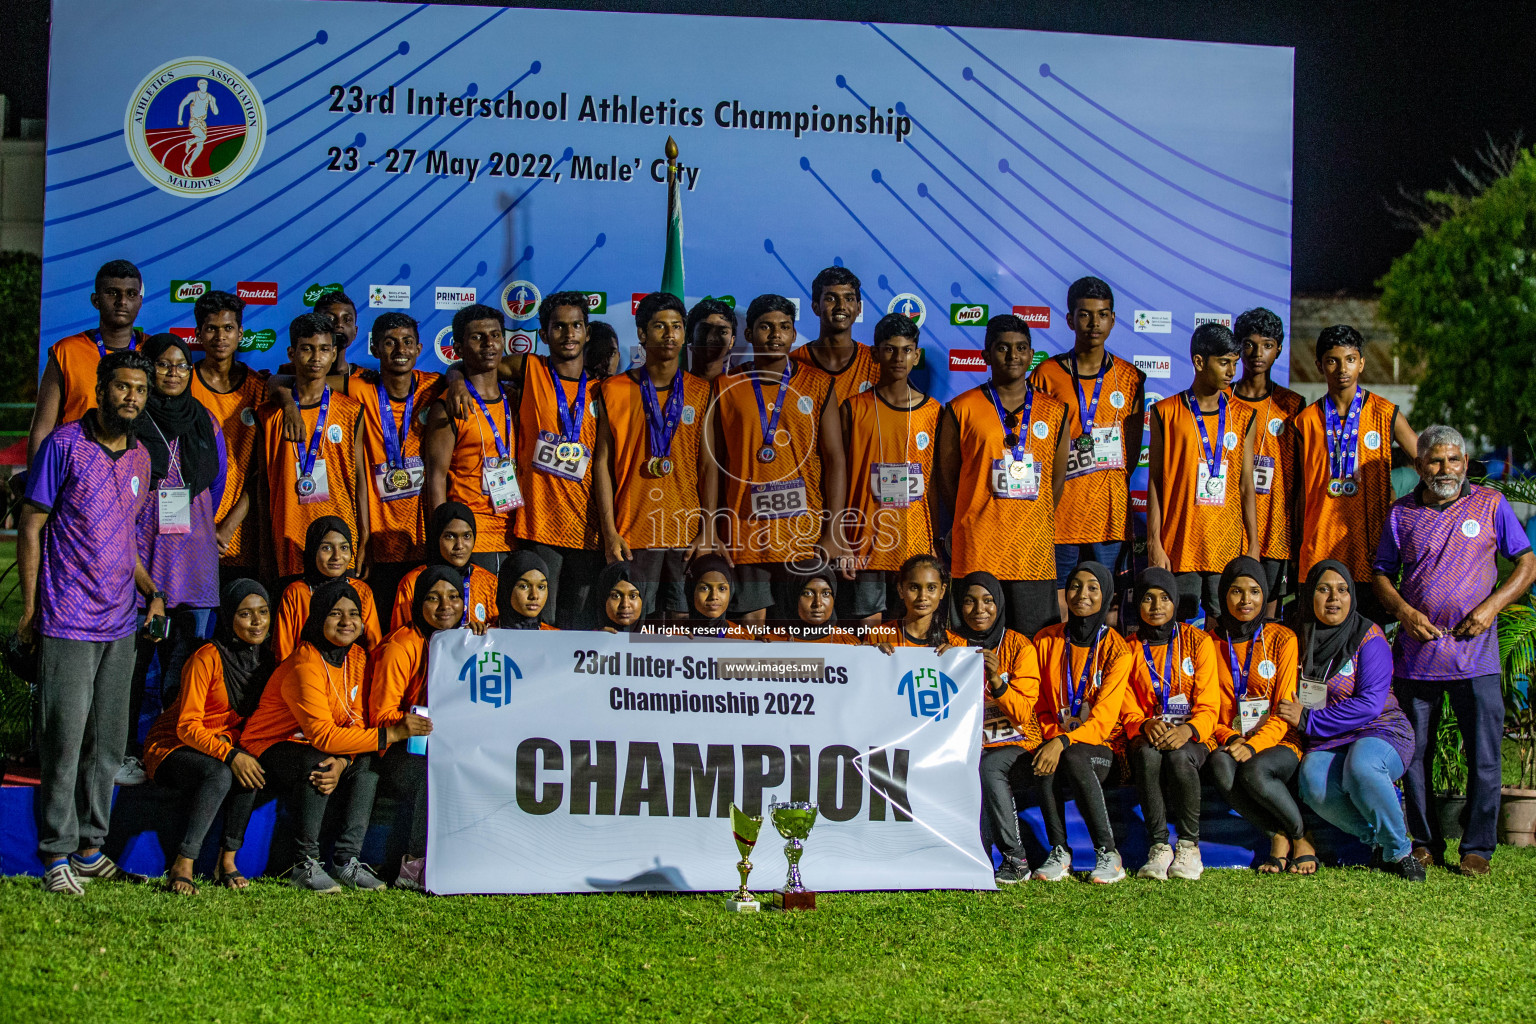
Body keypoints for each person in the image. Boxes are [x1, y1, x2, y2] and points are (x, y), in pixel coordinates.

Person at [20, 349, 162, 893]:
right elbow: (33, 524)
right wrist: (32, 609)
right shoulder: (63, 446)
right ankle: (55, 854)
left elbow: (127, 543)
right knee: (64, 740)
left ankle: (89, 848)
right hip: (67, 618)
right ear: (100, 389)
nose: (131, 397)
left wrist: (151, 593)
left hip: (121, 622)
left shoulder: (142, 460)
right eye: (122, 387)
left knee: (106, 744)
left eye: (139, 390)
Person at [1372, 425, 1536, 876]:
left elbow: (1527, 562)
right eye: (1435, 461)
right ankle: (1423, 843)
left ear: (1465, 462)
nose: (1444, 469)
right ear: (1419, 465)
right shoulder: (1400, 514)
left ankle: (1478, 848)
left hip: (1477, 657)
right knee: (1415, 754)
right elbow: (1381, 574)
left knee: (1483, 755)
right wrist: (1404, 612)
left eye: (1453, 460)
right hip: (1416, 658)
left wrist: (1492, 607)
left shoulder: (1490, 504)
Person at [241, 579, 430, 892]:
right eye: (335, 614)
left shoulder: (356, 657)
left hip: (318, 745)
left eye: (354, 614)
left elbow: (355, 722)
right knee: (318, 761)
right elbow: (322, 736)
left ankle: (347, 860)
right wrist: (392, 734)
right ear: (318, 618)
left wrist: (344, 761)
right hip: (268, 747)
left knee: (367, 764)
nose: (347, 622)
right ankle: (304, 862)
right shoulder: (305, 663)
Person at [705, 294, 851, 623]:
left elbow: (835, 460)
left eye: (784, 327)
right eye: (766, 327)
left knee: (803, 627)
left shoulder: (819, 384)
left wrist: (834, 531)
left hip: (806, 535)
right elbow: (713, 463)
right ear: (748, 334)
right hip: (744, 534)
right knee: (750, 627)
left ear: (794, 335)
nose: (775, 335)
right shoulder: (725, 386)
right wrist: (714, 527)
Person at [1275, 561, 1422, 881]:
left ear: (1352, 596)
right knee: (1312, 781)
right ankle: (1380, 843)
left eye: (1342, 590)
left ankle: (1401, 851)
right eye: (1323, 589)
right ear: (1309, 594)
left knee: (1362, 766)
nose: (1333, 598)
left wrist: (1309, 720)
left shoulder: (1368, 637)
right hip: (1329, 739)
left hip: (1381, 730)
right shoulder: (1299, 636)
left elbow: (1369, 705)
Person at [126, 334, 228, 778]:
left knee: (184, 670)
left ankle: (172, 751)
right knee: (133, 666)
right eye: (163, 364)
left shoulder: (204, 420)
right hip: (142, 559)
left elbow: (218, 482)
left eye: (182, 365)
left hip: (193, 560)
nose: (173, 372)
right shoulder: (130, 420)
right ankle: (128, 750)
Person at [937, 313, 1069, 637]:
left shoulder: (1055, 411)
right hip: (978, 547)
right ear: (985, 355)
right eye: (1003, 348)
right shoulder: (961, 408)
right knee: (972, 645)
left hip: (1032, 550)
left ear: (1031, 354)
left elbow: (1056, 481)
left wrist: (1029, 519)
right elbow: (948, 479)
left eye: (1021, 348)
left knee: (1033, 641)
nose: (1013, 356)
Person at [142, 580, 274, 894]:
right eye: (245, 614)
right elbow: (186, 726)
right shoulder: (206, 657)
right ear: (229, 618)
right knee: (221, 773)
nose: (257, 622)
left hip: (221, 746)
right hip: (172, 746)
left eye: (263, 612)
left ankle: (226, 862)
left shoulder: (266, 662)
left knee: (251, 767)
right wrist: (230, 754)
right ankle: (183, 863)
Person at [594, 292, 718, 621]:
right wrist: (609, 532)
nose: (669, 334)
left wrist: (707, 530)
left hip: (686, 533)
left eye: (676, 326)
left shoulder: (702, 391)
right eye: (660, 326)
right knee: (631, 628)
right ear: (641, 334)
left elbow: (708, 466)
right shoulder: (613, 389)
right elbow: (602, 465)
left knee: (680, 628)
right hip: (632, 534)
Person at [1029, 276, 1145, 619]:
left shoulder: (1130, 377)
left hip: (1109, 513)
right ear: (1069, 319)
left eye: (1103, 314)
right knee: (1062, 601)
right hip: (1060, 512)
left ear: (1113, 319)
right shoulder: (1047, 374)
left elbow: (1133, 451)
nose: (1094, 323)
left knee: (1107, 604)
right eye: (1085, 314)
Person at [1293, 325, 1417, 622]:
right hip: (1319, 550)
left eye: (1350, 359)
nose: (1342, 369)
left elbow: (1425, 460)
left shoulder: (1386, 414)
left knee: (1370, 640)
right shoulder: (1305, 421)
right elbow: (1298, 493)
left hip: (1371, 551)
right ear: (1319, 365)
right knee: (1319, 643)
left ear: (1361, 362)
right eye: (1332, 360)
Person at [1203, 556, 1312, 874]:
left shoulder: (1282, 639)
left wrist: (1254, 744)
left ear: (1265, 595)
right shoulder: (1209, 644)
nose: (1245, 600)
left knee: (1253, 770)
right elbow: (1210, 710)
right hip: (1233, 737)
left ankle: (1302, 836)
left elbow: (1285, 709)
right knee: (1221, 764)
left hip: (1279, 738)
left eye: (1254, 591)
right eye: (1236, 591)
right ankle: (1277, 835)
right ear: (1224, 595)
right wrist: (1233, 737)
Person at [1146, 322, 1259, 621]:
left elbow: (1247, 485)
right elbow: (1155, 481)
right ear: (1199, 361)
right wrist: (1155, 542)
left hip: (1228, 545)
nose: (1231, 372)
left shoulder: (1244, 416)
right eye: (1223, 363)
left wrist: (1254, 544)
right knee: (1178, 630)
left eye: (1234, 364)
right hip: (1179, 544)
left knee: (1227, 631)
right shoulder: (1165, 412)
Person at [1029, 562, 1132, 884]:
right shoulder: (1046, 640)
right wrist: (1053, 737)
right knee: (1045, 759)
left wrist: (1061, 742)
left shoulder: (1118, 649)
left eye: (1092, 588)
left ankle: (1108, 854)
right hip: (1058, 738)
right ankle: (1059, 852)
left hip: (1105, 749)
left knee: (1068, 754)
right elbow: (1041, 705)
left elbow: (1102, 722)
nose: (1082, 595)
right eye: (1075, 586)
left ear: (1106, 596)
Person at [840, 313, 940, 627]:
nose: (899, 358)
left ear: (917, 355)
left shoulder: (934, 412)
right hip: (865, 544)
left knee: (914, 631)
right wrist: (842, 540)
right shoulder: (854, 408)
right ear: (874, 352)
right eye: (890, 349)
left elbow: (940, 486)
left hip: (915, 546)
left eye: (906, 350)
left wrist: (937, 541)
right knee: (868, 638)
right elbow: (838, 479)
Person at [1120, 568, 1219, 881]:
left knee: (1180, 756)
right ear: (1138, 605)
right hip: (1150, 732)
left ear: (1176, 603)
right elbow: (1125, 703)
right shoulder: (1128, 647)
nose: (1156, 605)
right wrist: (1144, 724)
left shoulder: (1198, 642)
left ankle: (1189, 846)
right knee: (1147, 754)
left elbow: (1209, 703)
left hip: (1192, 733)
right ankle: (1159, 846)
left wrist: (1188, 730)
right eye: (1148, 598)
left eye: (1164, 598)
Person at [369, 564, 463, 891]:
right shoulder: (401, 646)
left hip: (443, 744)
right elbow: (380, 716)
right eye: (433, 598)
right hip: (398, 749)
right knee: (429, 773)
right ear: (417, 603)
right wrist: (404, 722)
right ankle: (413, 864)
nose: (444, 606)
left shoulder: (463, 640)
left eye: (453, 597)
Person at [259, 312, 367, 580]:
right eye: (307, 349)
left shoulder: (352, 411)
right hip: (287, 537)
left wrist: (364, 536)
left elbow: (360, 480)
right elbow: (263, 485)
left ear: (333, 354)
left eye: (324, 349)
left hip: (341, 541)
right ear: (291, 353)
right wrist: (263, 546)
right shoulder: (268, 415)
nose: (316, 357)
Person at [953, 571, 1043, 883]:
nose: (980, 609)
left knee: (989, 768)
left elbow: (1022, 713)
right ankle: (975, 855)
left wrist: (996, 683)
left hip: (1017, 740)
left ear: (1000, 604)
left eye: (988, 601)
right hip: (970, 742)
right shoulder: (951, 645)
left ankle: (1015, 858)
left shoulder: (1019, 646)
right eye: (969, 601)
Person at [355, 312, 441, 612]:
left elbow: (465, 372)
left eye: (407, 342)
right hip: (377, 545)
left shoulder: (436, 387)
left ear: (419, 349)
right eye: (389, 343)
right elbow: (288, 378)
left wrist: (455, 377)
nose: (400, 350)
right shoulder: (357, 388)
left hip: (423, 540)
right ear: (374, 349)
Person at [423, 304, 519, 572]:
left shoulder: (516, 400)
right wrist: (441, 540)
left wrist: (454, 376)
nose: (488, 344)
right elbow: (436, 477)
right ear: (459, 347)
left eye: (495, 335)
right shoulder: (449, 406)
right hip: (470, 539)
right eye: (477, 337)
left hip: (515, 535)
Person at [28, 259, 146, 463]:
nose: (122, 301)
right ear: (96, 300)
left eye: (131, 294)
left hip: (136, 472)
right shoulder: (66, 351)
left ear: (140, 301)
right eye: (112, 292)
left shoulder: (153, 351)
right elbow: (42, 429)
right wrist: (37, 486)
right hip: (75, 469)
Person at [188, 290, 268, 590]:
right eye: (211, 328)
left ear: (240, 333)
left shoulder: (259, 389)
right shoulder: (184, 386)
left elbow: (262, 470)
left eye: (228, 328)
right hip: (191, 532)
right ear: (198, 334)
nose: (220, 336)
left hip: (240, 534)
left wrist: (230, 524)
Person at [1230, 308, 1304, 616]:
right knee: (1223, 610)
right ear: (1238, 346)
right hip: (1227, 524)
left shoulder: (1293, 405)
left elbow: (1301, 478)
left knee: (1269, 613)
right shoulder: (1221, 399)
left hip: (1275, 528)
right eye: (1249, 344)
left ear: (1279, 349)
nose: (1257, 353)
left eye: (1268, 345)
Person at [274, 517, 383, 661]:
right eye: (326, 548)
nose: (337, 556)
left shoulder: (362, 592)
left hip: (353, 677)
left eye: (344, 548)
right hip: (305, 674)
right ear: (313, 551)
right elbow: (284, 653)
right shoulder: (296, 593)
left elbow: (374, 648)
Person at [391, 502, 499, 632]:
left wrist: (481, 633)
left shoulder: (488, 582)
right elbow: (401, 636)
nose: (459, 545)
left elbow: (498, 639)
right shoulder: (412, 582)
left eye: (466, 536)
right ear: (436, 537)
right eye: (450, 536)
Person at [792, 266, 880, 403]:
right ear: (815, 307)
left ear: (859, 308)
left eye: (849, 299)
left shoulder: (876, 362)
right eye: (831, 299)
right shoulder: (793, 362)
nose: (841, 306)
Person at [869, 554, 964, 650]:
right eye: (914, 587)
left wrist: (956, 657)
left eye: (931, 588)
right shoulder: (879, 636)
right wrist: (871, 653)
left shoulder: (956, 644)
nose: (922, 597)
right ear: (901, 590)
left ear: (942, 591)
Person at [776, 559, 851, 642]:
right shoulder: (771, 643)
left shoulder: (848, 643)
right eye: (807, 593)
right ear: (791, 597)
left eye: (826, 593)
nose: (818, 603)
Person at [685, 555, 753, 638]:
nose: (714, 596)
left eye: (722, 588)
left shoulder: (744, 638)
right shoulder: (673, 637)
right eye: (705, 588)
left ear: (730, 592)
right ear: (691, 591)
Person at [498, 550, 559, 630]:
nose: (534, 595)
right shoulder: (485, 636)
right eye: (524, 586)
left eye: (541, 587)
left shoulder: (555, 637)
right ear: (506, 589)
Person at [685, 297, 737, 382]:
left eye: (722, 332)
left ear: (731, 341)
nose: (712, 337)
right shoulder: (676, 388)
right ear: (690, 336)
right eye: (705, 330)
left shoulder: (740, 388)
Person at [591, 560, 645, 632]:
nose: (625, 605)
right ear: (603, 599)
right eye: (616, 596)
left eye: (633, 596)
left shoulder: (654, 640)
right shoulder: (583, 640)